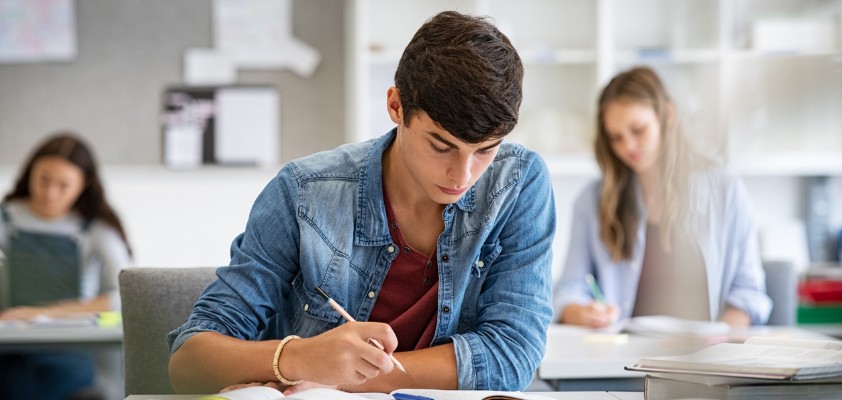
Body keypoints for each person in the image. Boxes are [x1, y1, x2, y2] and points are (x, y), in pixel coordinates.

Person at [168, 10, 555, 395]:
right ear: (396, 106)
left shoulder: (518, 184)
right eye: (441, 146)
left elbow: (512, 357)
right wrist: (299, 358)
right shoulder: (304, 192)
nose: (463, 175)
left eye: (485, 151)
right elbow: (189, 361)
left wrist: (343, 378)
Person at [553, 66, 771, 329]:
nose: (628, 147)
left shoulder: (726, 190)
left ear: (668, 114)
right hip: (622, 361)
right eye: (616, 138)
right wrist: (582, 312)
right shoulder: (592, 200)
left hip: (706, 360)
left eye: (638, 130)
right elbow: (568, 290)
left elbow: (748, 294)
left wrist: (718, 345)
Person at [0, 133, 132, 400]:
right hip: (10, 348)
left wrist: (44, 313)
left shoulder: (96, 229)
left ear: (83, 186)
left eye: (64, 185)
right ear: (29, 174)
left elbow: (126, 296)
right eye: (44, 180)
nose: (50, 193)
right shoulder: (6, 218)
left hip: (71, 350)